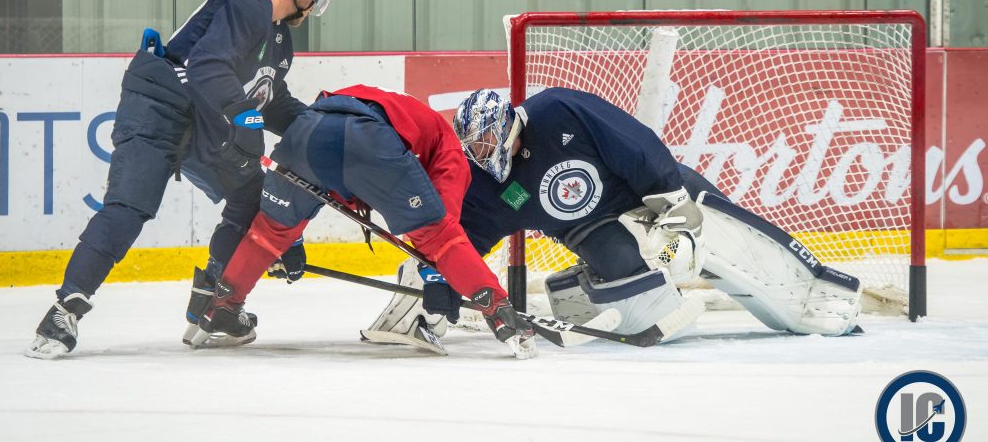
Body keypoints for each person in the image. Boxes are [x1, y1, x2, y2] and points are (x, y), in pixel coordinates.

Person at [25, 0, 336, 359]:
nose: (315, 5)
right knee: (129, 207)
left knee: (252, 196)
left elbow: (271, 100)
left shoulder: (279, 41)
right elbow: (208, 65)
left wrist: (322, 126)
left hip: (202, 120)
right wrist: (245, 120)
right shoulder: (249, 0)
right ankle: (64, 311)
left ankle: (216, 304)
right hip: (159, 110)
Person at [367, 87, 863, 346]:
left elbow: (637, 146)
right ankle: (586, 296)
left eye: (487, 141)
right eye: (474, 147)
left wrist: (673, 205)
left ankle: (817, 294)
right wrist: (441, 276)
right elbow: (467, 236)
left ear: (507, 123)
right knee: (631, 267)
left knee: (724, 236)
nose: (483, 152)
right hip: (593, 227)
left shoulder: (558, 111)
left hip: (649, 196)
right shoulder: (489, 184)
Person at [188, 85, 538, 359]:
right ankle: (500, 312)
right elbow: (443, 235)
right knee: (440, 236)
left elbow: (330, 157)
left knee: (267, 233)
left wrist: (290, 239)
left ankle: (223, 309)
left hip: (306, 130)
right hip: (366, 138)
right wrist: (435, 277)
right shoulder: (446, 147)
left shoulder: (392, 104)